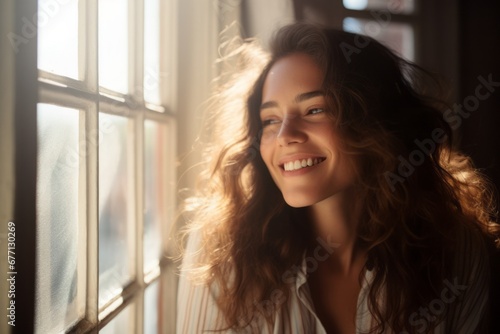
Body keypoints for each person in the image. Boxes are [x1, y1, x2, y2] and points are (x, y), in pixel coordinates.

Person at [176, 23, 500, 333]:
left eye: (315, 110)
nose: (285, 135)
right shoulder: (222, 255)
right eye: (270, 119)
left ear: (376, 124)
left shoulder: (459, 253)